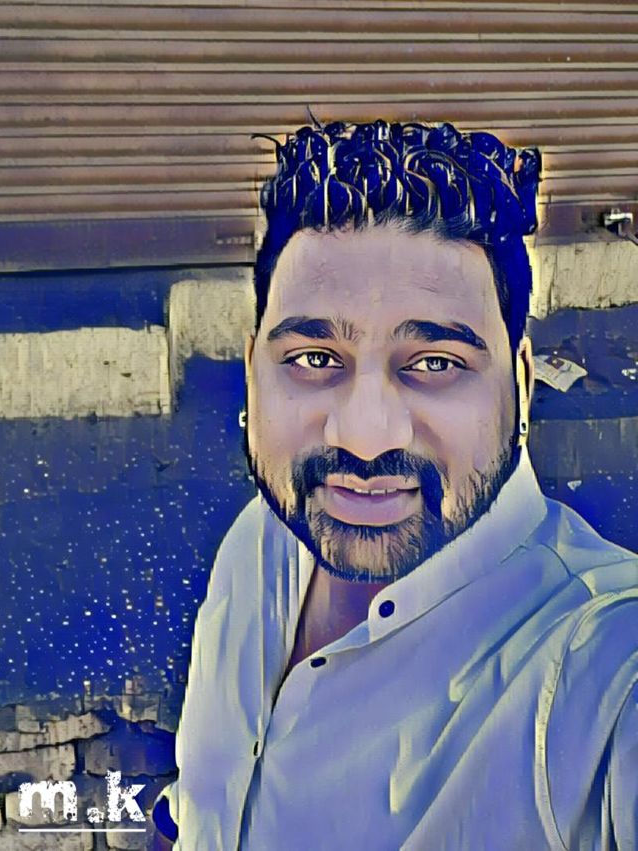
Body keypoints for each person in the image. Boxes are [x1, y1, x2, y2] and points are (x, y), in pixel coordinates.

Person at [154, 120, 638, 850]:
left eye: (435, 362)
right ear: (253, 370)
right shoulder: (263, 537)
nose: (364, 437)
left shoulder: (594, 667)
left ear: (521, 385)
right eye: (314, 357)